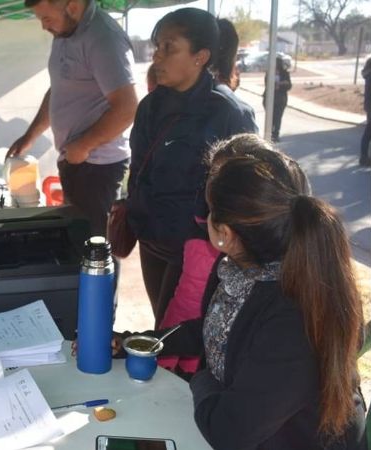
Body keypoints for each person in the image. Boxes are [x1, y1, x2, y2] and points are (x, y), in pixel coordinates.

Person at [123, 135, 367, 448]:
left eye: (211, 208)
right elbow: (217, 329)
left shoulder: (294, 317)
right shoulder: (240, 270)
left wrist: (200, 379)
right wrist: (141, 341)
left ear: (224, 233)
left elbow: (230, 432)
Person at [126, 9, 257, 328]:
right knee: (163, 325)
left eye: (169, 47)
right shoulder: (150, 106)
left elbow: (247, 193)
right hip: (152, 238)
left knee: (181, 334)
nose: (157, 56)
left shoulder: (230, 113)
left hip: (198, 249)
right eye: (157, 46)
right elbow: (139, 169)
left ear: (200, 56)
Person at [5, 0, 138, 237]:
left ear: (73, 6)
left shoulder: (103, 38)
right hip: (77, 161)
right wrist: (30, 136)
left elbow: (127, 108)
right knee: (77, 245)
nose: (44, 27)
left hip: (98, 167)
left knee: (95, 248)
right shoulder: (66, 32)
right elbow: (59, 89)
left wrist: (84, 146)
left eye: (46, 18)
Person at [263, 55, 292, 142]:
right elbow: (267, 84)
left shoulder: (285, 73)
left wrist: (281, 84)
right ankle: (269, 134)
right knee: (270, 117)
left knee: (278, 117)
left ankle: (276, 134)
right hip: (269, 98)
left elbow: (289, 85)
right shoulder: (269, 73)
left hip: (281, 99)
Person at [361, 56, 370, 167]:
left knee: (368, 134)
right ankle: (364, 158)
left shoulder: (368, 75)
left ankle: (364, 157)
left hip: (369, 107)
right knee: (368, 134)